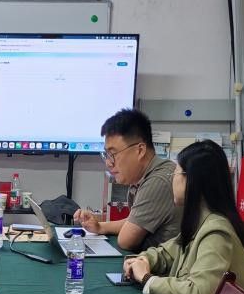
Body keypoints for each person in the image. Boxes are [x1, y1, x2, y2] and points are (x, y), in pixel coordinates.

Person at [121, 139, 244, 294]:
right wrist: (143, 260)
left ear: (191, 180)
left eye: (175, 174)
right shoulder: (200, 220)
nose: (172, 180)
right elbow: (166, 253)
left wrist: (147, 279)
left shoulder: (216, 232)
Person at [74, 108, 181, 252]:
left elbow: (126, 241)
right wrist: (99, 227)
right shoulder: (147, 175)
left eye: (113, 154)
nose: (108, 163)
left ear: (140, 150)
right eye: (106, 155)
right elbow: (135, 221)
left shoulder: (158, 181)